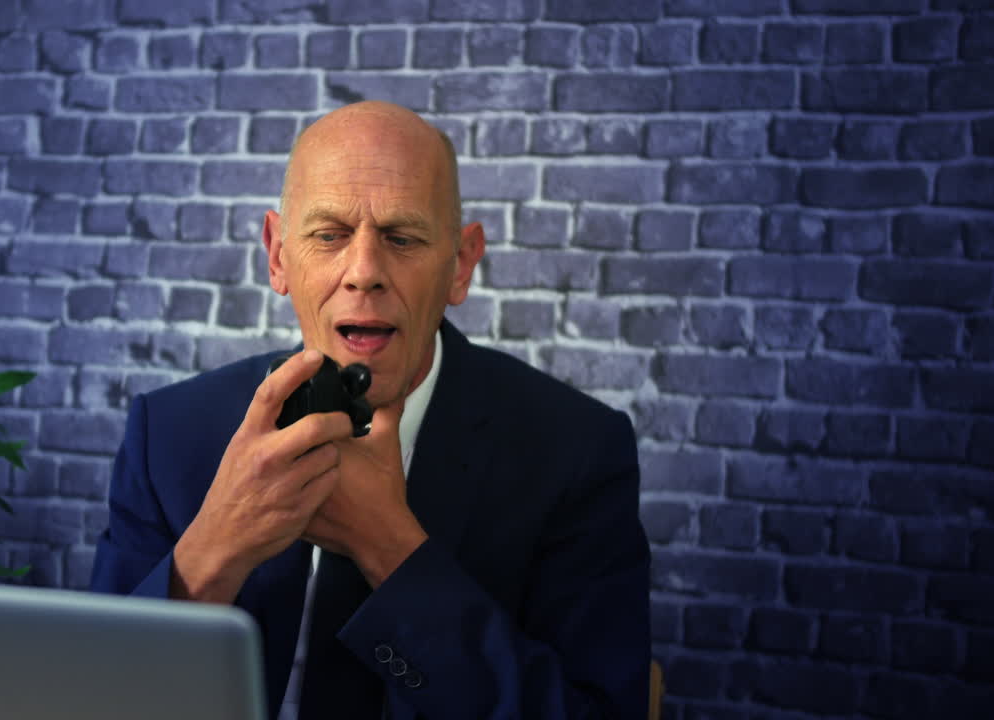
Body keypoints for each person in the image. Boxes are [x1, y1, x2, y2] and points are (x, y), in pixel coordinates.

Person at [90, 101, 650, 719]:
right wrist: (214, 549)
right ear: (278, 255)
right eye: (329, 235)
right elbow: (96, 699)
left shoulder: (577, 451)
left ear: (461, 264)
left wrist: (391, 549)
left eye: (402, 238)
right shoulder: (168, 434)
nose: (364, 273)